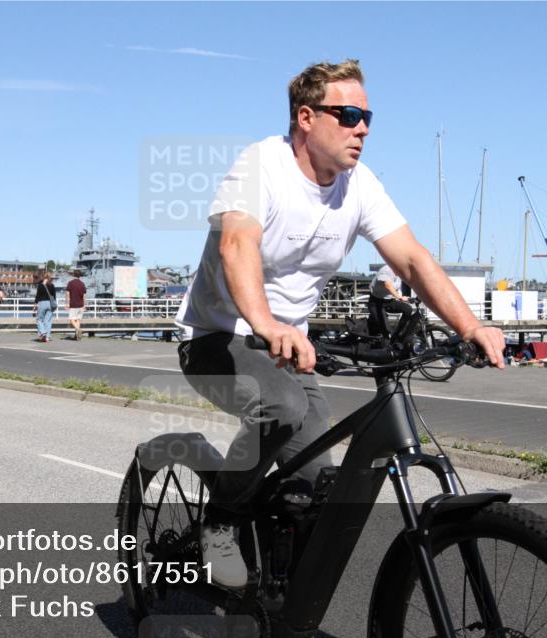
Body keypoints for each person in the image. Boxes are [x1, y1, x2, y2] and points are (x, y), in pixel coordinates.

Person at [175, 59, 505, 591]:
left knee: (311, 489)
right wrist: (265, 324)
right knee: (281, 408)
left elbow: (413, 260)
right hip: (219, 337)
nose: (363, 128)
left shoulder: (359, 184)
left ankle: (284, 614)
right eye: (348, 114)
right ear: (306, 117)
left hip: (289, 347)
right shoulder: (259, 166)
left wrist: (470, 326)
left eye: (368, 116)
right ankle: (223, 517)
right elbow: (238, 245)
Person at [367, 263, 414, 339]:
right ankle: (386, 345)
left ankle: (398, 333)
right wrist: (400, 297)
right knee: (386, 330)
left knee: (408, 309)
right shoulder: (386, 270)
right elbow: (388, 285)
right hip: (376, 302)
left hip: (389, 301)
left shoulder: (399, 274)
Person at [33, 271, 56, 342]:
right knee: (48, 321)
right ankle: (47, 338)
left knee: (39, 319)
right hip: (50, 304)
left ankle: (43, 332)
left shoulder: (40, 285)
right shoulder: (52, 285)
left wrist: (35, 305)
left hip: (42, 303)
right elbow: (54, 297)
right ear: (50, 278)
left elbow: (37, 296)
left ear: (43, 277)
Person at [65, 270, 87, 340]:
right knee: (77, 320)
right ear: (79, 275)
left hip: (73, 304)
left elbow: (68, 294)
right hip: (80, 305)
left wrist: (67, 303)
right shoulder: (82, 284)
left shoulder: (70, 283)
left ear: (73, 275)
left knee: (71, 319)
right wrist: (84, 305)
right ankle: (77, 336)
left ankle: (78, 329)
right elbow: (84, 295)